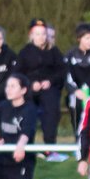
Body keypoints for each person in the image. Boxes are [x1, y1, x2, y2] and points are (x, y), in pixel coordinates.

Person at [17, 18, 67, 159]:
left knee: (51, 111)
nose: (41, 37)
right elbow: (18, 73)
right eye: (37, 34)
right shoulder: (24, 52)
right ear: (31, 35)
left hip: (49, 90)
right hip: (30, 90)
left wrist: (49, 81)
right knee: (27, 111)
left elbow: (62, 71)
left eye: (43, 34)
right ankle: (26, 146)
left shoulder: (54, 51)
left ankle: (49, 148)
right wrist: (30, 83)